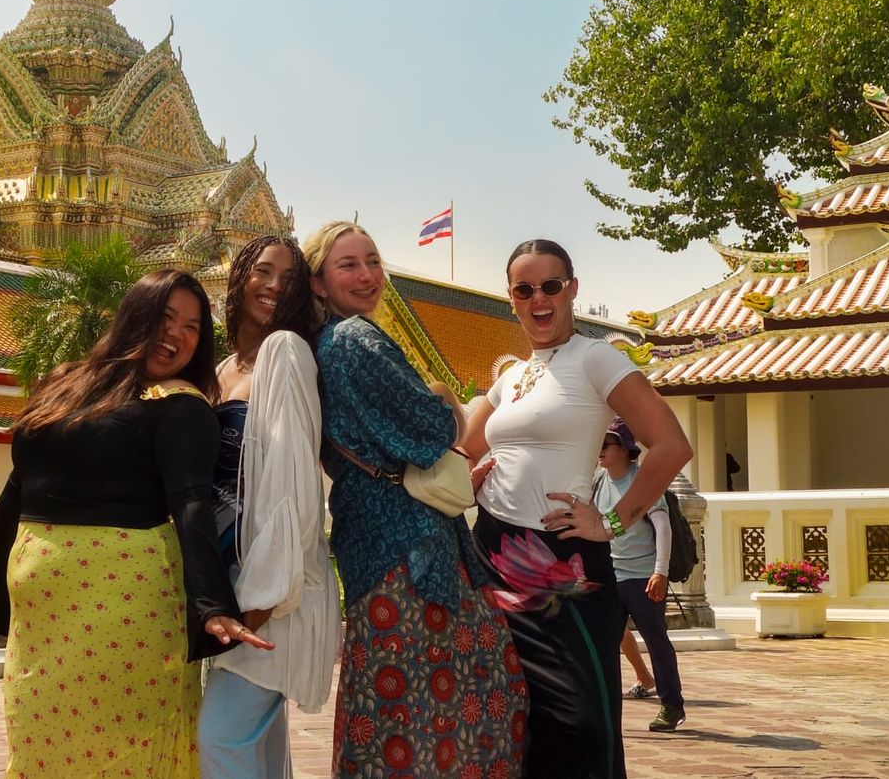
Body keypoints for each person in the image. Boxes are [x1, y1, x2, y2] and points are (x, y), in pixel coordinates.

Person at [0, 269, 273, 778]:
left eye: (192, 327)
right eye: (165, 317)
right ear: (135, 317)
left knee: (120, 752)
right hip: (41, 621)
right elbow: (17, 489)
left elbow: (191, 503)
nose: (176, 334)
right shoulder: (65, 384)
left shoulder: (180, 405)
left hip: (124, 607)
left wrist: (210, 605)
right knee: (40, 748)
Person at [463, 238, 693, 778]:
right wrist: (466, 482)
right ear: (511, 299)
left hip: (564, 561)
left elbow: (671, 445)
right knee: (510, 714)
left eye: (550, 286)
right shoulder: (510, 379)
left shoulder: (595, 357)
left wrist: (611, 521)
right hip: (492, 554)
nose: (539, 299)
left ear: (571, 289)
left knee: (582, 720)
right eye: (525, 289)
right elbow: (461, 451)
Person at [305, 220, 527, 778]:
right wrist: (445, 396)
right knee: (451, 702)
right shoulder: (354, 339)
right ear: (318, 283)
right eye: (347, 265)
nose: (367, 276)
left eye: (373, 261)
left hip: (375, 543)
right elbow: (432, 432)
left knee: (395, 708)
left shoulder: (333, 342)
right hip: (406, 548)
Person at [198, 236, 341, 779]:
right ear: (239, 276)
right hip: (235, 580)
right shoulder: (222, 369)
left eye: (289, 278)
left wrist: (260, 601)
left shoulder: (286, 351)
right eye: (263, 270)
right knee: (258, 747)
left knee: (221, 739)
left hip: (274, 591)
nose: (274, 285)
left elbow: (293, 486)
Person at [595, 420, 685, 729]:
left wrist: (660, 572)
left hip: (642, 576)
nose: (600, 451)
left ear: (624, 449)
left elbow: (662, 526)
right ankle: (604, 709)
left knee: (655, 640)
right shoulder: (597, 482)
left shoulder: (642, 481)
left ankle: (672, 705)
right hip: (611, 575)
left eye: (605, 445)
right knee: (605, 642)